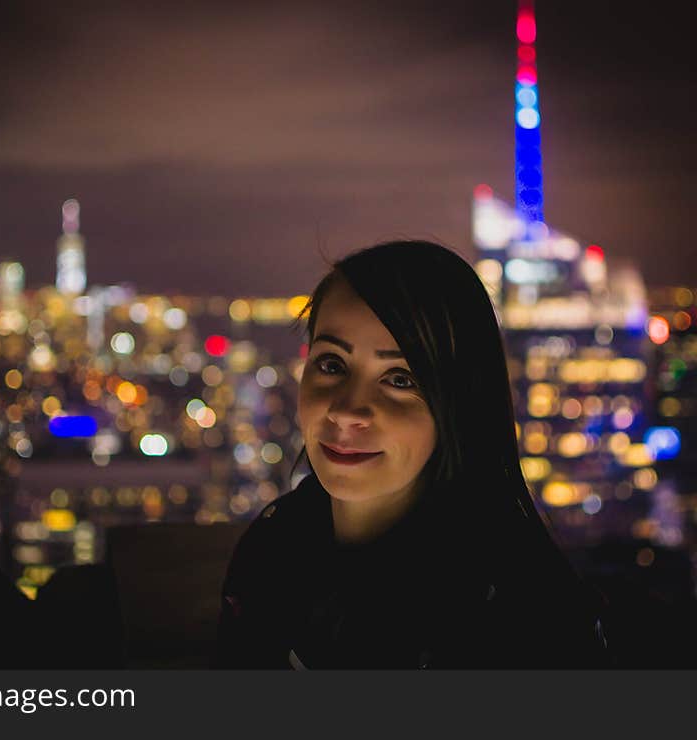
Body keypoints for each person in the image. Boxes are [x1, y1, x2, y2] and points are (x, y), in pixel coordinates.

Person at [213, 240, 610, 669]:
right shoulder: (277, 546)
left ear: (459, 403)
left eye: (400, 379)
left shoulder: (513, 617)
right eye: (331, 365)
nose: (347, 410)